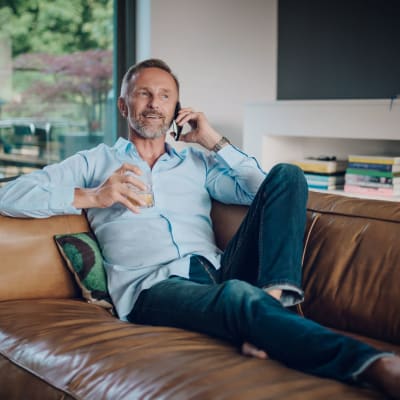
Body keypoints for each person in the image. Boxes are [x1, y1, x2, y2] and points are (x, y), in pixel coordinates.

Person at [0, 58, 399, 398]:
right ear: (123, 104)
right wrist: (94, 197)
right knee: (238, 296)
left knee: (289, 174)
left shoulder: (198, 164)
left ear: (177, 108)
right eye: (143, 94)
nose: (154, 104)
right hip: (152, 287)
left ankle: (274, 303)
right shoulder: (94, 163)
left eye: (165, 96)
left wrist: (212, 140)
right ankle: (372, 365)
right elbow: (10, 195)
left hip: (218, 269)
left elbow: (269, 192)